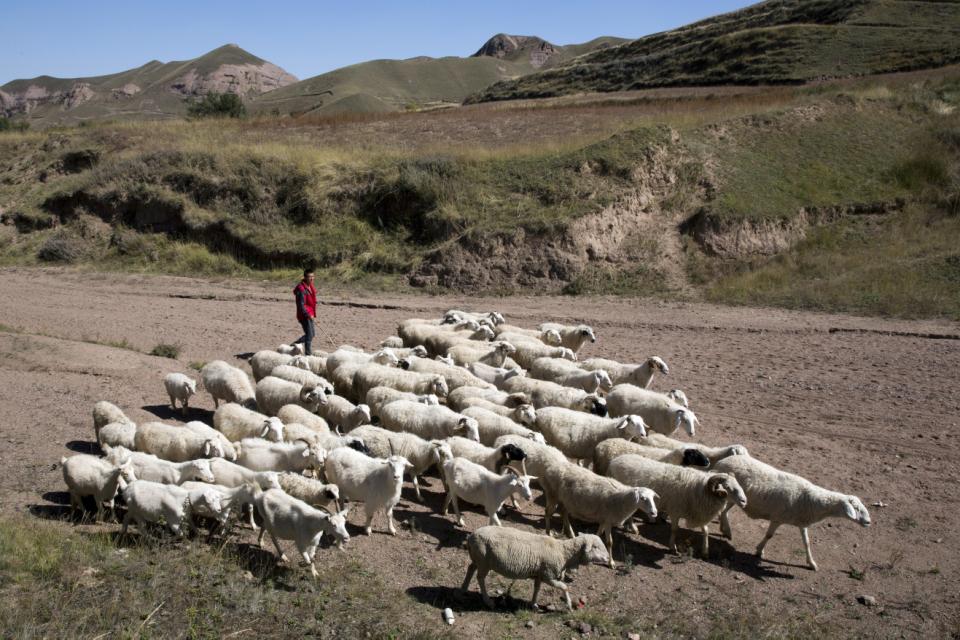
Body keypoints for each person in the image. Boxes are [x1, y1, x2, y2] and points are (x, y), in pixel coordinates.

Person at [292, 268, 318, 356]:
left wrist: (312, 314)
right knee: (309, 335)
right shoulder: (301, 289)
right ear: (305, 277)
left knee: (312, 334)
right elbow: (301, 305)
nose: (312, 279)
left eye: (313, 277)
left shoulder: (310, 287)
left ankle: (296, 344)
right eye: (310, 277)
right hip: (304, 315)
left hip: (310, 314)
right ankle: (308, 355)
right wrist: (307, 314)